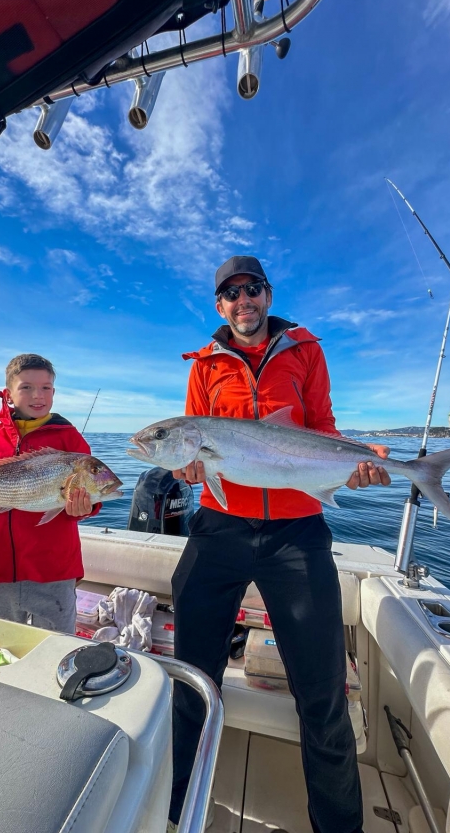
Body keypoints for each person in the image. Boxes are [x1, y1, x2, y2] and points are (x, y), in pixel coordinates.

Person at [167, 256, 391, 833]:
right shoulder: (203, 366)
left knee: (323, 692)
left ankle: (339, 826)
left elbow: (322, 426)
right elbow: (198, 441)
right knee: (192, 677)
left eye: (252, 289)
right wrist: (190, 469)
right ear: (219, 306)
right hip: (219, 527)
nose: (243, 300)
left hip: (297, 530)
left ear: (267, 295)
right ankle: (175, 813)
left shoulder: (305, 351)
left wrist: (356, 463)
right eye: (230, 293)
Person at [0, 353, 99, 633]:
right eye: (26, 387)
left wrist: (85, 508)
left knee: (57, 645)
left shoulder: (70, 440)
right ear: (8, 394)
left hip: (53, 566)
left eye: (46, 388)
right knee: (2, 645)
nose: (38, 395)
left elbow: (89, 496)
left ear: (54, 391)